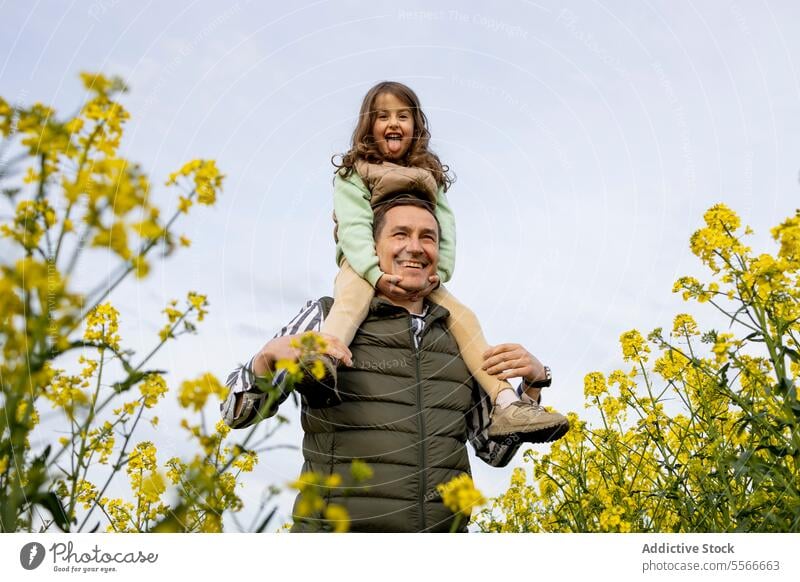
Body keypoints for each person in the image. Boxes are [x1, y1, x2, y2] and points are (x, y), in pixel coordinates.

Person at [222, 196, 569, 532]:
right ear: (372, 249)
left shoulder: (461, 340)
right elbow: (236, 414)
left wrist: (534, 385)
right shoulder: (328, 318)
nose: (415, 247)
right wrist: (266, 358)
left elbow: (493, 453)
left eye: (427, 237)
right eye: (400, 234)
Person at [321, 80, 567, 442]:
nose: (394, 123)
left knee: (464, 317)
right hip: (362, 265)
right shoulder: (357, 172)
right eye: (383, 116)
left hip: (421, 278)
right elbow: (354, 226)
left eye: (403, 116)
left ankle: (506, 403)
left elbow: (445, 227)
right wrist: (373, 273)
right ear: (367, 126)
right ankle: (322, 360)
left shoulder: (428, 176)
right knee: (349, 303)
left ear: (416, 127)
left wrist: (440, 270)